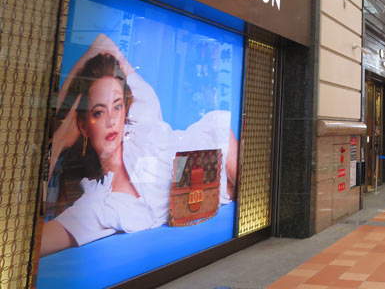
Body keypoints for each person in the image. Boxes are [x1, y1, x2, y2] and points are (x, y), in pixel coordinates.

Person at [41, 34, 238, 256]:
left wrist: (61, 109)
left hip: (219, 149)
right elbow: (38, 242)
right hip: (213, 196)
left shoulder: (142, 118)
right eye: (98, 112)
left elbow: (102, 43)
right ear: (83, 126)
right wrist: (58, 140)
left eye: (117, 106)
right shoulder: (101, 204)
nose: (111, 120)